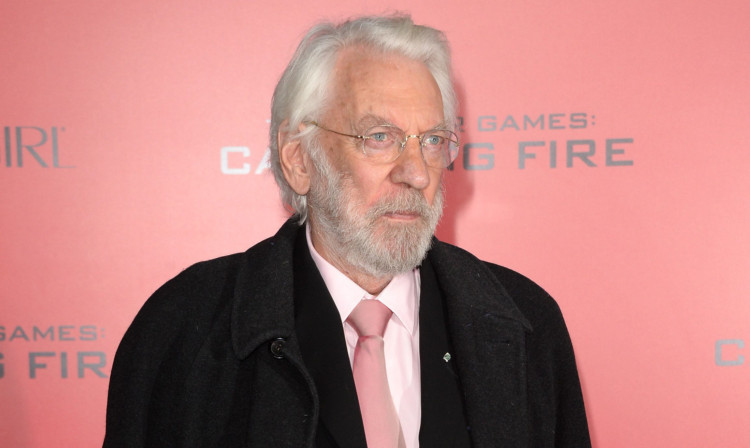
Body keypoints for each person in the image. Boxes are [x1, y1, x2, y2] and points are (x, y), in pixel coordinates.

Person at [103, 14, 591, 448]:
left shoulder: (526, 326)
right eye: (380, 138)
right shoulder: (182, 332)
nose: (417, 173)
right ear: (299, 160)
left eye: (433, 141)